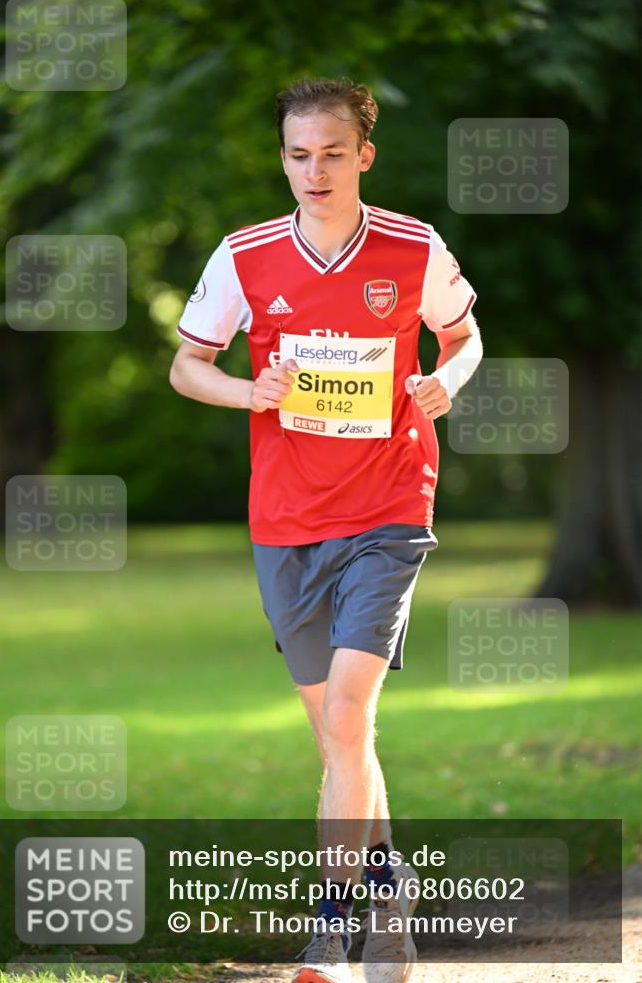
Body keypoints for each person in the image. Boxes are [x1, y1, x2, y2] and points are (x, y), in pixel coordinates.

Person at [170, 77, 483, 983]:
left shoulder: (413, 248)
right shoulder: (244, 258)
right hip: (286, 523)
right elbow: (188, 366)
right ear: (283, 159)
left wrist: (444, 385)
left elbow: (463, 339)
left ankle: (328, 934)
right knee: (340, 741)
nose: (314, 170)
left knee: (347, 715)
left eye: (332, 153)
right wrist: (246, 390)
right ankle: (389, 907)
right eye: (298, 154)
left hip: (388, 508)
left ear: (363, 157)